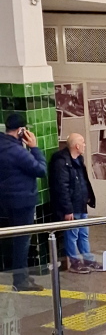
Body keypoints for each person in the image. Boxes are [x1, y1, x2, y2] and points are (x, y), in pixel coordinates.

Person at [0, 113, 47, 291]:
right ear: (21, 131)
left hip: (6, 201)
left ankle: (22, 276)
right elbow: (41, 170)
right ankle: (20, 280)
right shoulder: (18, 151)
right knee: (22, 241)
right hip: (22, 201)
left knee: (16, 240)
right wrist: (34, 148)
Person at [49, 134, 102, 273]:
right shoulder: (62, 162)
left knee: (83, 234)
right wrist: (67, 209)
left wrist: (89, 197)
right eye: (83, 142)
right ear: (76, 146)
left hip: (81, 203)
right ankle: (74, 262)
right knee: (72, 235)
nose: (85, 145)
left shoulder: (79, 160)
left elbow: (83, 182)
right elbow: (62, 187)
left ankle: (88, 259)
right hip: (72, 206)